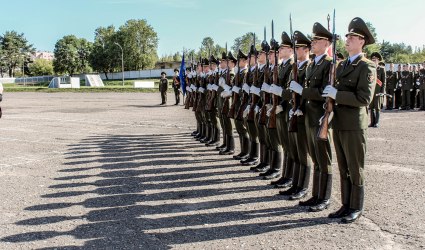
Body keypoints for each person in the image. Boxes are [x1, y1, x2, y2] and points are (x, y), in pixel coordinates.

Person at [323, 17, 376, 223]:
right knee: (343, 167)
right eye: (347, 36)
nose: (348, 39)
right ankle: (346, 205)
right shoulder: (342, 65)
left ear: (362, 41)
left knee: (355, 168)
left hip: (354, 125)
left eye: (352, 37)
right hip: (340, 123)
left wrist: (337, 95)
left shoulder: (367, 66)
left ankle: (356, 207)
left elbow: (364, 98)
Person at [291, 22, 333, 212]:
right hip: (308, 115)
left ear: (326, 44)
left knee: (323, 159)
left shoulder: (329, 65)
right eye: (313, 40)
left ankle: (324, 197)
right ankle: (316, 195)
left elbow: (324, 92)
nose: (313, 43)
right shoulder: (312, 65)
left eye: (317, 40)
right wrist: (298, 106)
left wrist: (303, 91)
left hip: (319, 116)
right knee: (315, 157)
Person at [279, 30, 312, 201]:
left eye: (298, 48)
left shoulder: (307, 67)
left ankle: (303, 186)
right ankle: (295, 184)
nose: (296, 50)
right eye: (295, 47)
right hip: (293, 111)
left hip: (303, 113)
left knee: (302, 152)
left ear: (306, 49)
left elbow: (309, 91)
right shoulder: (295, 68)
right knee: (293, 149)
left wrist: (301, 107)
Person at [369, 52, 386, 127]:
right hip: (371, 91)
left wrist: (382, 92)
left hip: (378, 91)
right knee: (371, 107)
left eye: (375, 59)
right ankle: (372, 122)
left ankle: (377, 122)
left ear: (378, 60)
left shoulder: (382, 69)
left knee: (377, 107)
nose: (373, 61)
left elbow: (384, 82)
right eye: (372, 59)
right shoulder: (370, 68)